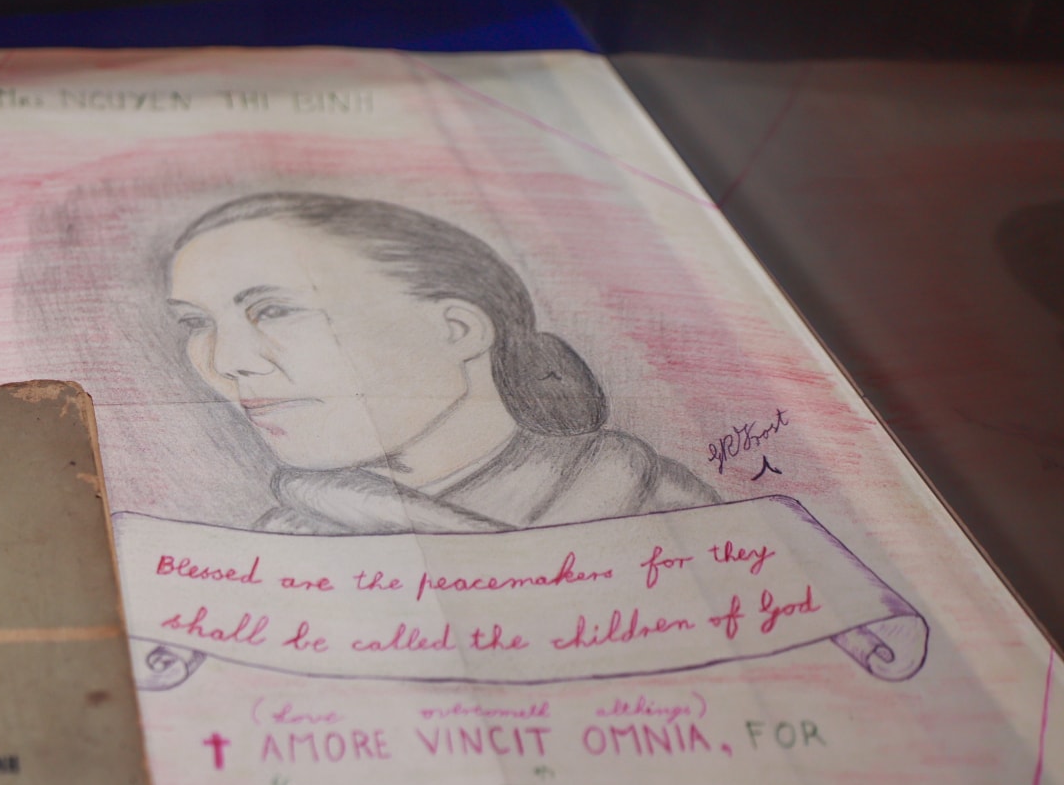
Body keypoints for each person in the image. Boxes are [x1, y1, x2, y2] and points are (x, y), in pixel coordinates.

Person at [166, 192, 716, 535]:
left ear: (457, 329)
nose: (228, 361)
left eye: (274, 310)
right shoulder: (280, 551)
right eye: (196, 322)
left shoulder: (668, 512)